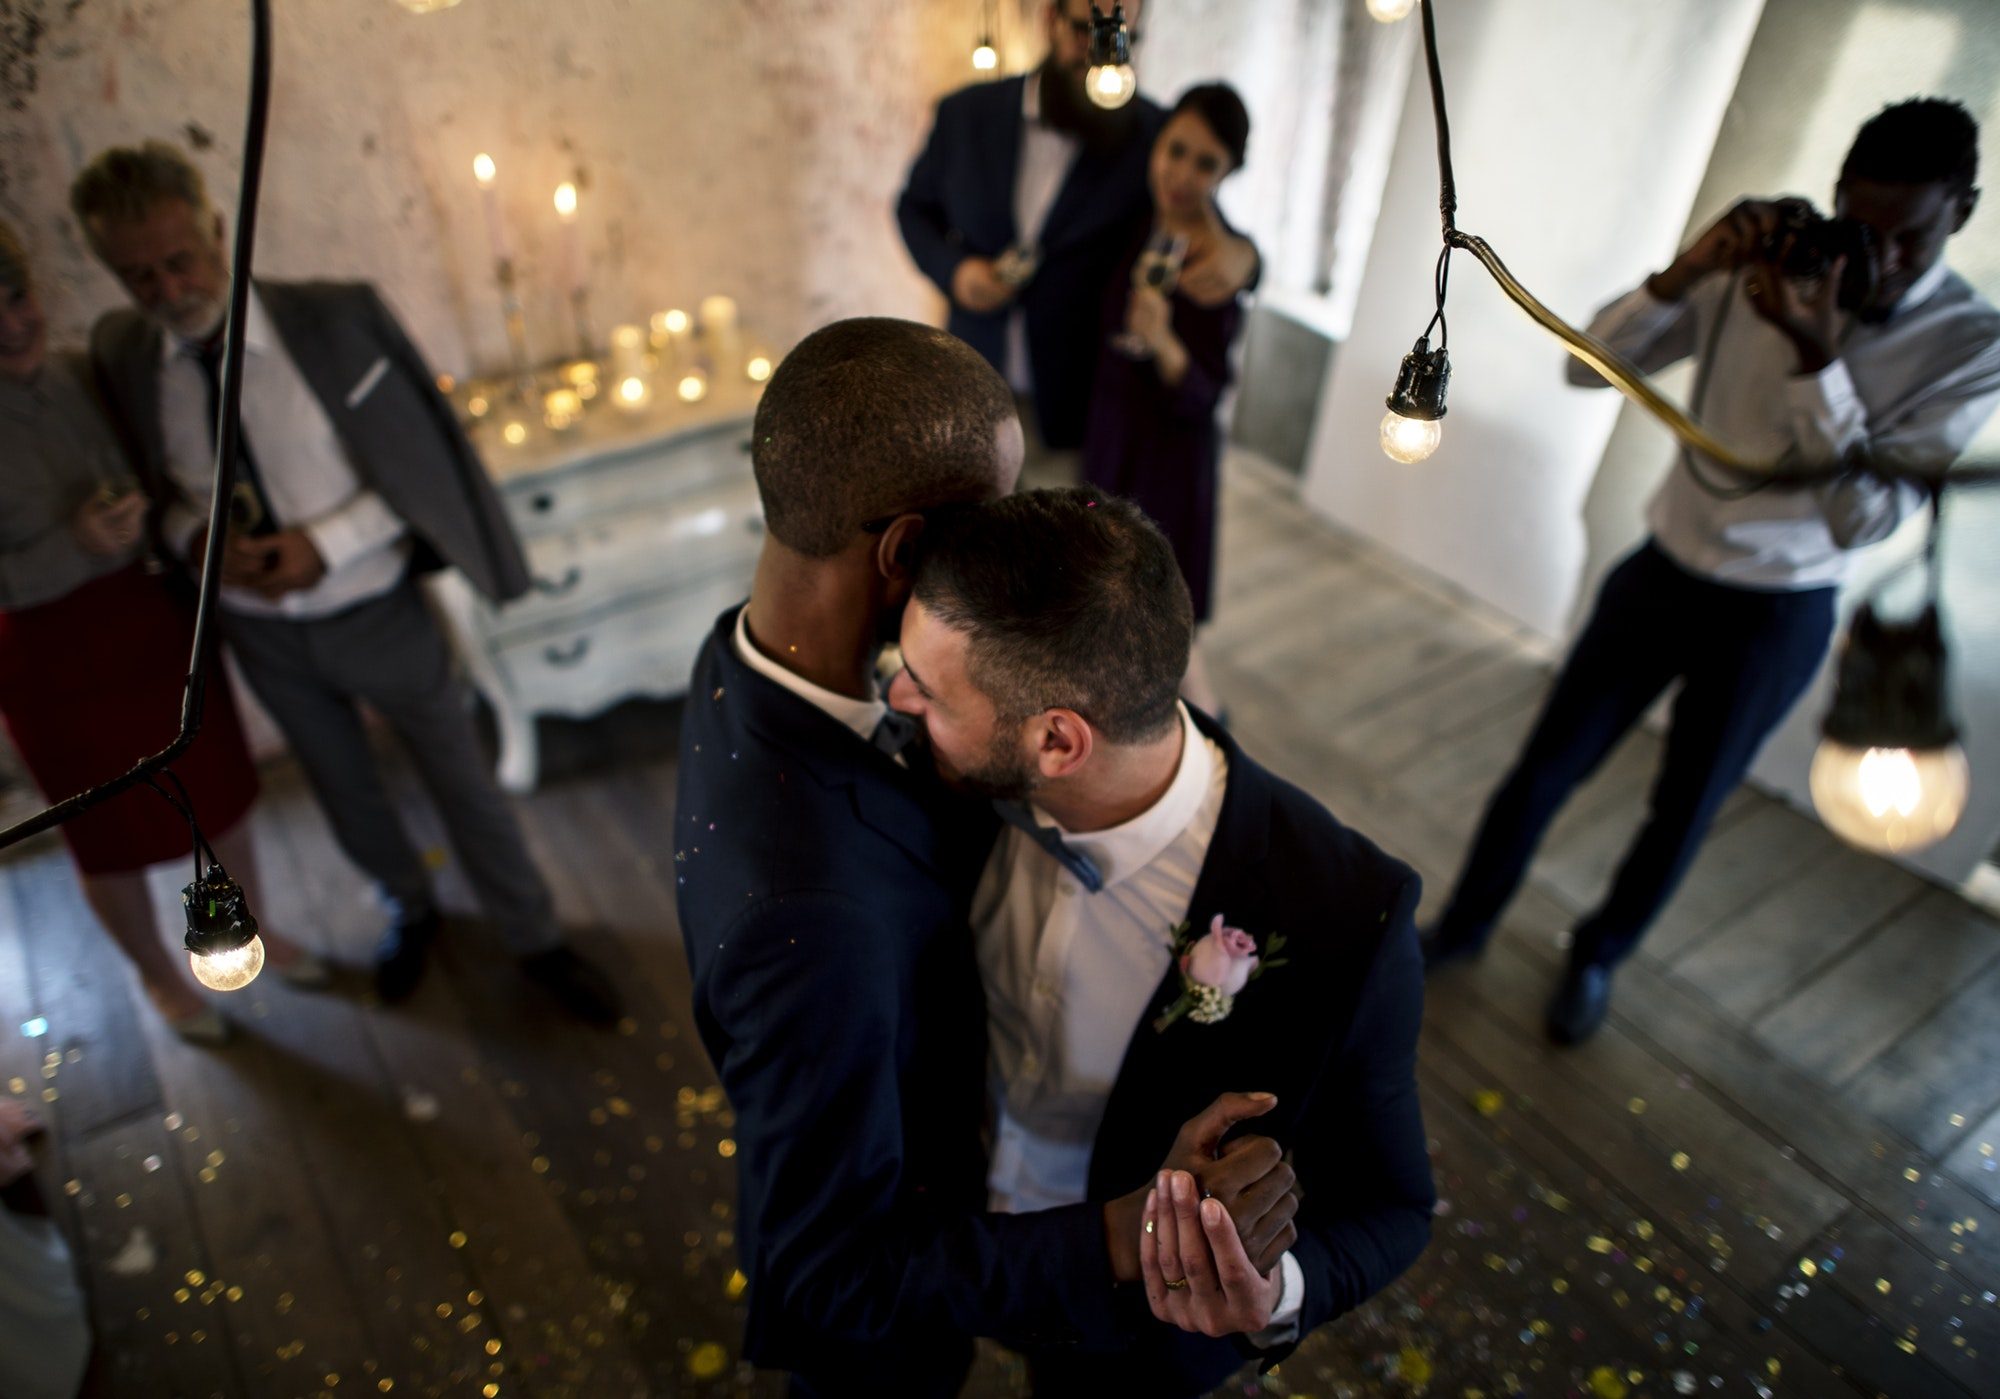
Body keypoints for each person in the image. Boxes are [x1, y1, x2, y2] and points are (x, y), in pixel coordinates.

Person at [675, 320, 1298, 1396]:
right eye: (989, 526)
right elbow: (827, 1269)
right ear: (906, 552)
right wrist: (1112, 1236)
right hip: (891, 1323)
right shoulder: (806, 915)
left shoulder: (747, 650)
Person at [1421, 98, 2000, 1044]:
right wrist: (1687, 272)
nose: (1881, 257)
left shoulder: (1972, 347)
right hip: (1663, 570)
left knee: (1681, 810)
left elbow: (1866, 516)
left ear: (1963, 211)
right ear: (1835, 199)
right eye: (1865, 225)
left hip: (1780, 611)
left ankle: (1597, 957)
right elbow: (1585, 368)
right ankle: (1461, 924)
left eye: (1912, 235)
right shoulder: (1770, 261)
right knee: (1542, 769)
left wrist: (1817, 359)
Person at [889, 488, 1435, 1396]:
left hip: (1133, 1329)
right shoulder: (936, 782)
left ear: (1057, 740)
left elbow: (1397, 1206)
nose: (898, 698)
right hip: (934, 1239)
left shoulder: (1347, 912)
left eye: (930, 690)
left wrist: (1270, 1288)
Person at [71, 141, 619, 1024]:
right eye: (139, 278)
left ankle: (535, 936)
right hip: (260, 630)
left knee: (460, 778)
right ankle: (412, 907)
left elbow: (417, 463)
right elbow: (159, 493)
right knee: (340, 782)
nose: (169, 292)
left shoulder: (333, 320)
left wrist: (325, 543)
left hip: (374, 606)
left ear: (219, 228)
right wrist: (195, 535)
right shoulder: (127, 355)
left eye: (181, 261)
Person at [0, 216, 323, 1045]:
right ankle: (154, 974)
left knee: (220, 794)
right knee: (104, 831)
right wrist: (66, 544)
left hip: (150, 623)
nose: (13, 325)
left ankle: (247, 932)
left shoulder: (89, 373)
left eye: (18, 297)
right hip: (45, 651)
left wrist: (148, 520)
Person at [896, 0, 1258, 480]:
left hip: (1073, 409)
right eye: (1088, 31)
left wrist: (1248, 259)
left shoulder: (1151, 134)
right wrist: (956, 273)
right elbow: (913, 208)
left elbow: (1201, 218)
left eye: (1121, 39)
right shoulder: (965, 113)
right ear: (1050, 20)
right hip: (968, 381)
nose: (1102, 57)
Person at [1083, 82, 1251, 716]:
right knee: (1106, 599)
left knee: (1165, 623)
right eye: (1176, 150)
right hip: (1112, 434)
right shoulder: (1140, 220)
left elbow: (1206, 394)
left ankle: (1212, 740)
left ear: (1228, 170)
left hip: (1168, 459)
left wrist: (1163, 342)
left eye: (1205, 162)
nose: (1181, 174)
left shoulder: (1217, 261)